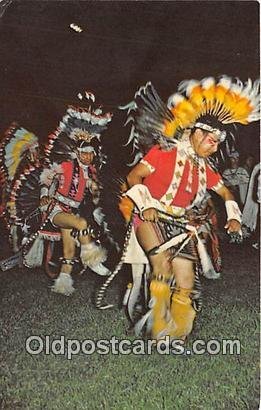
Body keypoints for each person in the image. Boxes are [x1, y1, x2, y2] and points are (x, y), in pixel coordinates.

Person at [117, 76, 260, 342]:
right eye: (211, 141)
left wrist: (233, 217)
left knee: (185, 283)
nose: (215, 147)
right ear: (196, 133)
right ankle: (160, 331)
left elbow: (226, 191)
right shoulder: (163, 152)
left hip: (182, 225)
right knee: (162, 268)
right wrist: (146, 204)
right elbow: (133, 177)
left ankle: (178, 334)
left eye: (218, 143)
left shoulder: (205, 167)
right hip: (150, 218)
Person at [22, 94, 113, 295]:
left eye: (91, 154)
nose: (88, 157)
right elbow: (47, 177)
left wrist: (97, 193)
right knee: (81, 223)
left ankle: (62, 286)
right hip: (56, 211)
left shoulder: (90, 172)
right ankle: (92, 259)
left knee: (69, 252)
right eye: (85, 153)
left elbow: (93, 191)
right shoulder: (66, 166)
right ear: (78, 154)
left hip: (70, 211)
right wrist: (44, 195)